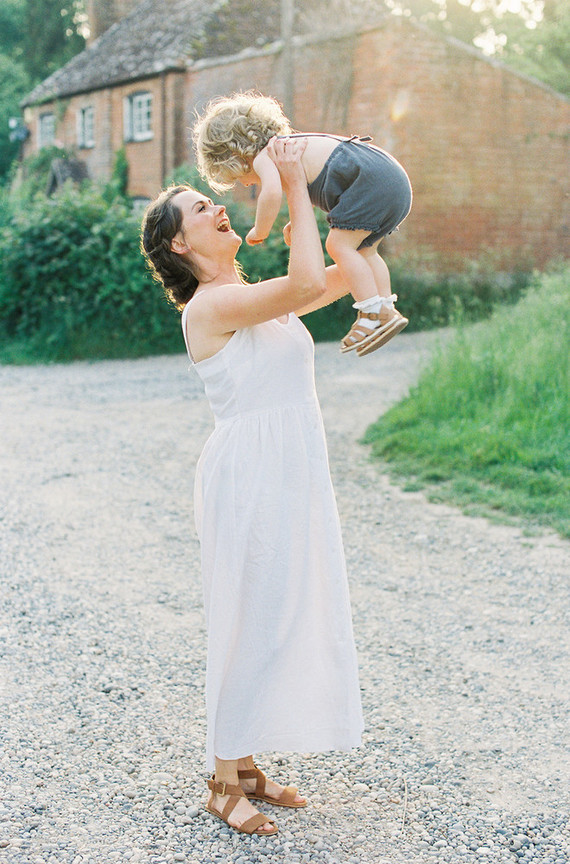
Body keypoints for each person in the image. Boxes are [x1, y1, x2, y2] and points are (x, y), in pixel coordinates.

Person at [140, 137, 364, 837]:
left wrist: (355, 217)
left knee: (282, 612)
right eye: (200, 207)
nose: (217, 208)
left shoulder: (250, 295)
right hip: (249, 475)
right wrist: (293, 186)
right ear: (179, 243)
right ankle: (220, 780)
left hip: (293, 466)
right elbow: (303, 286)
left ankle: (245, 765)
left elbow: (336, 278)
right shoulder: (209, 306)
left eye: (211, 200)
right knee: (249, 622)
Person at [192, 90, 413, 357]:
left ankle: (371, 311)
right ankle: (386, 306)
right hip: (392, 179)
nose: (246, 183)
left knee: (338, 246)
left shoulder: (266, 156)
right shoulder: (291, 148)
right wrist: (296, 222)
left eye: (239, 178)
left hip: (372, 181)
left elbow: (271, 194)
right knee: (365, 251)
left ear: (235, 156)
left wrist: (260, 230)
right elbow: (318, 180)